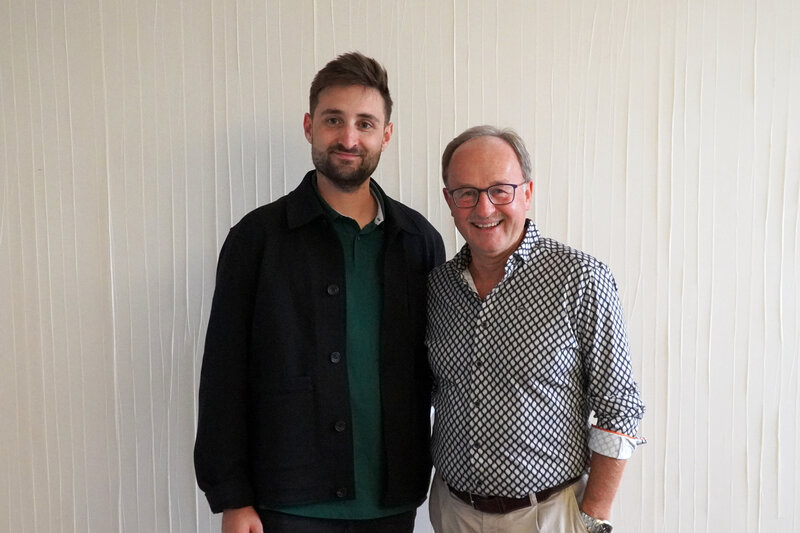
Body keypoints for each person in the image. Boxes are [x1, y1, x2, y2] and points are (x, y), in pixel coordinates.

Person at [194, 52, 445, 533]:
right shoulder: (257, 239)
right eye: (334, 120)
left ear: (385, 136)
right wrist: (232, 497)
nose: (349, 138)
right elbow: (223, 375)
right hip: (286, 502)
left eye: (365, 124)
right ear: (310, 126)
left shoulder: (418, 241)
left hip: (391, 502)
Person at [426, 125, 645, 533]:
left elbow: (620, 407)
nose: (484, 208)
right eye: (467, 193)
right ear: (450, 201)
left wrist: (592, 516)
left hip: (548, 516)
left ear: (527, 192)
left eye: (500, 190)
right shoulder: (437, 288)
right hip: (453, 511)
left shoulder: (580, 278)